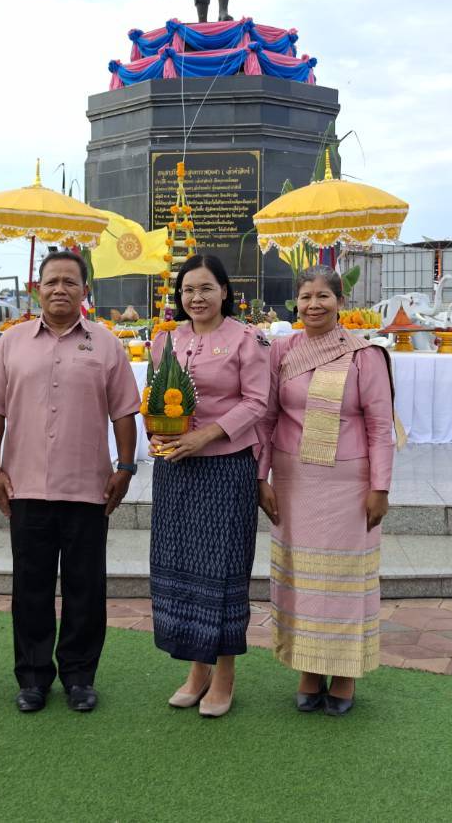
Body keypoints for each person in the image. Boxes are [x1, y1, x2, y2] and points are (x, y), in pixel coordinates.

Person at [0, 251, 140, 714]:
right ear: (37, 289)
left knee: (87, 587)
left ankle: (80, 676)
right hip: (25, 485)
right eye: (52, 281)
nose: (60, 289)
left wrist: (124, 467)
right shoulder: (10, 343)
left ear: (85, 291)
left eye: (70, 281)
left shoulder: (106, 344)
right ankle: (32, 677)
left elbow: (124, 410)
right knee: (31, 585)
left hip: (88, 487)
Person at [257, 265, 397, 716]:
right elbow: (267, 418)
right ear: (294, 304)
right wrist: (261, 478)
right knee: (302, 578)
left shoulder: (364, 355)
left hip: (347, 482)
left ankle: (345, 673)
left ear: (341, 303)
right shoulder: (281, 351)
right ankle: (308, 669)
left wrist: (381, 487)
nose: (313, 305)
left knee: (343, 579)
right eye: (305, 297)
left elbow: (380, 426)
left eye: (323, 297)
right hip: (294, 478)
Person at [146, 254, 267, 718]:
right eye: (188, 290)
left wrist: (205, 435)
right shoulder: (166, 340)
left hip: (224, 467)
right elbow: (157, 398)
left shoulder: (246, 339)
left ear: (224, 291)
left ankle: (225, 674)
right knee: (179, 565)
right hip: (176, 469)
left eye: (205, 288)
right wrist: (157, 434)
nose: (196, 298)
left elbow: (258, 403)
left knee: (221, 570)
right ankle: (196, 671)